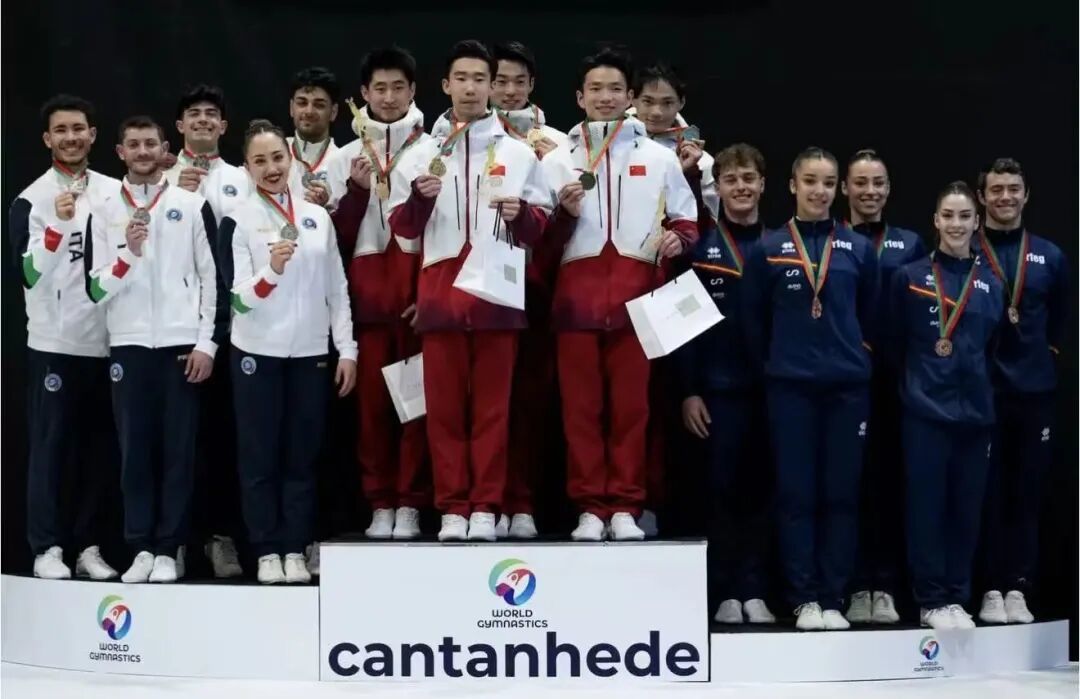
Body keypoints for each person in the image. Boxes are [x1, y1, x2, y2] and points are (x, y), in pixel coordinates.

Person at [387, 40, 552, 542]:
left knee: (493, 413)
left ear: (492, 87)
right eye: (462, 78)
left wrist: (522, 216)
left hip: (497, 299)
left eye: (481, 79)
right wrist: (418, 201)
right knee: (444, 414)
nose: (472, 88)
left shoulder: (518, 154)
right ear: (445, 85)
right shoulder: (420, 155)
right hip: (441, 301)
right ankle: (453, 509)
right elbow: (402, 231)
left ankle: (485, 506)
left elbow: (541, 227)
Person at [540, 47, 697, 542]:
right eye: (595, 89)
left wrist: (680, 239)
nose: (605, 97)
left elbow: (688, 220)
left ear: (629, 97)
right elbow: (537, 245)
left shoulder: (660, 158)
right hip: (576, 306)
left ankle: (626, 505)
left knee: (633, 412)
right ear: (579, 97)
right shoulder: (556, 161)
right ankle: (590, 507)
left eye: (614, 89)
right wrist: (563, 216)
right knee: (581, 413)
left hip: (638, 304)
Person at [742, 147, 877, 630]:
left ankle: (833, 597)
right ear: (793, 185)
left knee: (841, 496)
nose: (820, 191)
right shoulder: (769, 248)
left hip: (847, 391)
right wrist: (779, 365)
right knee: (796, 495)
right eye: (811, 181)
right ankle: (803, 599)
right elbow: (752, 323)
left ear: (837, 189)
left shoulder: (858, 249)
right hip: (791, 390)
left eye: (828, 183)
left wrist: (853, 359)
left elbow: (872, 316)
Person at [84, 115, 223, 583]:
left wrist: (206, 343)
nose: (143, 152)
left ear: (165, 150)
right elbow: (95, 289)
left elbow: (211, 279)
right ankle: (141, 547)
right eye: (134, 145)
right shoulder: (103, 209)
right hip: (129, 345)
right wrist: (127, 253)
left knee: (179, 453)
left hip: (182, 345)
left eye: (150, 144)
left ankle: (169, 548)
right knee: (134, 453)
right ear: (120, 152)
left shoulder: (191, 204)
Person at [219, 119, 357, 584]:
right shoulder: (237, 220)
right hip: (256, 352)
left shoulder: (317, 218)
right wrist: (272, 271)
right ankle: (266, 550)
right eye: (260, 161)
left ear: (291, 159)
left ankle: (295, 547)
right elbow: (238, 299)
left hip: (310, 353)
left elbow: (336, 288)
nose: (271, 167)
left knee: (301, 456)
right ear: (247, 168)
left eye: (277, 157)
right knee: (260, 457)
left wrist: (348, 349)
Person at [10, 94, 121, 580]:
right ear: (47, 139)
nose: (71, 137)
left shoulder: (115, 191)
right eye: (61, 130)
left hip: (109, 340)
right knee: (52, 449)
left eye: (79, 128)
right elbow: (28, 273)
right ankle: (48, 547)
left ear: (92, 135)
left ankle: (88, 546)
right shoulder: (31, 200)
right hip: (55, 345)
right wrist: (57, 223)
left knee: (99, 452)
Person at [885, 181, 1004, 630]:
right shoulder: (909, 278)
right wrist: (917, 389)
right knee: (928, 509)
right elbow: (893, 343)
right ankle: (931, 599)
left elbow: (993, 349)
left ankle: (957, 596)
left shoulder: (991, 284)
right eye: (948, 216)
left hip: (976, 415)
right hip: (925, 413)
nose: (956, 224)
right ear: (935, 220)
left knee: (966, 510)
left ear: (977, 223)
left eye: (965, 216)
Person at [326, 46, 433, 541]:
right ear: (364, 94)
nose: (389, 98)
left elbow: (448, 232)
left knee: (415, 409)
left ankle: (409, 502)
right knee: (371, 416)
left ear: (413, 92)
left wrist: (429, 293)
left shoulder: (434, 151)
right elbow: (334, 241)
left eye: (398, 88)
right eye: (380, 89)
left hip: (415, 304)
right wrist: (355, 192)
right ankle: (380, 501)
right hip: (367, 306)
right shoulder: (344, 157)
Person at [677, 143, 775, 624]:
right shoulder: (700, 250)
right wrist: (689, 390)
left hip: (772, 390)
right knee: (720, 492)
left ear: (763, 184)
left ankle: (754, 588)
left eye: (748, 178)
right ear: (719, 187)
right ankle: (724, 592)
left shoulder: (781, 248)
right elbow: (685, 327)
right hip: (718, 391)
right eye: (731, 180)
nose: (741, 187)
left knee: (763, 489)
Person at [975, 158, 1069, 625]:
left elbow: (1061, 321)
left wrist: (1042, 360)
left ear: (1026, 195)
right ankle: (990, 588)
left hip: (1034, 395)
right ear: (982, 197)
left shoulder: (1050, 256)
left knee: (1026, 495)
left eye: (1013, 188)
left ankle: (1018, 587)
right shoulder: (966, 249)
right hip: (983, 394)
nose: (1005, 197)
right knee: (988, 494)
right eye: (996, 190)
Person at [165, 84, 250, 579]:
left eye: (211, 114)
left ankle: (220, 538)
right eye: (193, 113)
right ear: (179, 126)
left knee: (221, 439)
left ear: (223, 126)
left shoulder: (242, 179)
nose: (202, 120)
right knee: (175, 441)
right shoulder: (159, 180)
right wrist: (177, 193)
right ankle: (172, 540)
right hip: (176, 329)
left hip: (232, 328)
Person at [629, 63, 715, 537]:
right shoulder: (612, 146)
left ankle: (663, 506)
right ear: (632, 101)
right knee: (630, 397)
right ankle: (629, 500)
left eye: (667, 103)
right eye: (647, 101)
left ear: (682, 105)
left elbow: (708, 233)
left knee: (670, 396)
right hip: (628, 283)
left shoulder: (700, 160)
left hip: (676, 288)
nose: (657, 112)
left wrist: (688, 178)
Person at [841, 149, 926, 625]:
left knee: (890, 484)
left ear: (889, 189)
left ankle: (887, 585)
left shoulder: (909, 244)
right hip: (843, 380)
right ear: (845, 189)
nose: (869, 191)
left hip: (895, 384)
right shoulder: (830, 240)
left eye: (878, 183)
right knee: (849, 485)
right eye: (861, 183)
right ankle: (856, 585)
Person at [490, 40, 567, 539]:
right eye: (500, 81)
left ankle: (521, 502)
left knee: (529, 402)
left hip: (537, 287)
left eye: (519, 82)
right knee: (487, 403)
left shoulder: (558, 143)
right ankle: (487, 502)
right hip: (482, 285)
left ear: (533, 86)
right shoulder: (458, 139)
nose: (509, 91)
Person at [287, 67, 339, 209]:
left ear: (333, 112)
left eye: (319, 105)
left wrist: (324, 209)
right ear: (291, 108)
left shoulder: (343, 162)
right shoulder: (273, 154)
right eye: (302, 103)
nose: (309, 111)